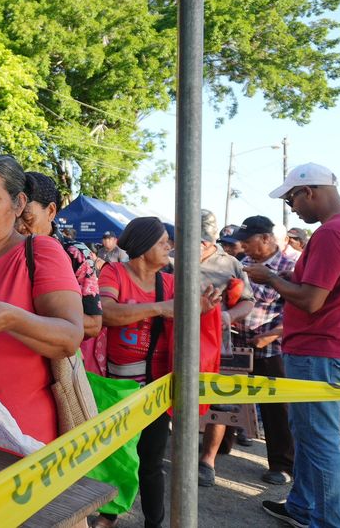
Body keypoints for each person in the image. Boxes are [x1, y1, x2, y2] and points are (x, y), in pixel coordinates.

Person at [95, 217, 222, 528]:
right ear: (141, 248)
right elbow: (106, 313)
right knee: (118, 455)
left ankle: (154, 523)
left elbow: (188, 323)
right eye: (162, 241)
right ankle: (109, 515)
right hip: (119, 387)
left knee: (151, 461)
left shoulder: (171, 282)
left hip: (159, 387)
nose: (169, 246)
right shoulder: (114, 273)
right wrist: (160, 308)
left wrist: (201, 310)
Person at [246, 163, 340, 528]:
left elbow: (310, 300)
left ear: (311, 192)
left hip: (319, 349)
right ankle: (303, 507)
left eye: (292, 198)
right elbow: (322, 287)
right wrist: (286, 277)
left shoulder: (333, 233)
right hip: (326, 347)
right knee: (309, 438)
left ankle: (330, 521)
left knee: (320, 444)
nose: (292, 208)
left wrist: (271, 277)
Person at [0, 154, 84, 445]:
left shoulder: (40, 252)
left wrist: (10, 319)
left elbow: (70, 337)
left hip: (18, 441)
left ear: (18, 204)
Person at [18, 172, 105, 373]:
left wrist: (23, 313)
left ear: (50, 211)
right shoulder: (1, 250)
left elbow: (93, 324)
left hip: (52, 369)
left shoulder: (75, 254)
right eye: (12, 216)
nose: (18, 226)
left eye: (27, 216)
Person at [232, 215, 296, 485]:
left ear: (267, 239)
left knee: (276, 409)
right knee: (226, 396)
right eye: (242, 242)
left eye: (248, 241)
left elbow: (297, 310)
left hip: (270, 349)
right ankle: (217, 450)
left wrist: (270, 337)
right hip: (236, 342)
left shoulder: (291, 266)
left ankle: (282, 465)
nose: (244, 247)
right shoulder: (241, 265)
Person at [197, 209, 255, 488]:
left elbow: (247, 301)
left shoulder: (231, 264)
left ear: (209, 242)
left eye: (199, 241)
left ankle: (207, 461)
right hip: (174, 342)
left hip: (219, 343)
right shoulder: (171, 261)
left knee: (219, 403)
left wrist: (228, 316)